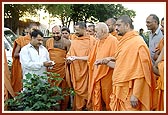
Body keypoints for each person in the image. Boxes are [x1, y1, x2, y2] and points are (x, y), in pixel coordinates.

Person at [97, 15, 156, 111]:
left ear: (127, 25)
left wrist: (135, 94)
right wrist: (105, 62)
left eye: (119, 25)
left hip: (131, 92)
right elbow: (121, 66)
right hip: (119, 89)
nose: (116, 28)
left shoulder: (138, 43)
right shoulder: (124, 42)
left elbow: (141, 72)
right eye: (116, 25)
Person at [87, 22, 118, 111]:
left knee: (108, 100)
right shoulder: (98, 41)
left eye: (96, 31)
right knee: (98, 100)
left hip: (108, 76)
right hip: (97, 75)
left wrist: (106, 60)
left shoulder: (113, 41)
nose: (95, 33)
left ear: (104, 31)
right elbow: (92, 57)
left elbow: (117, 58)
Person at [66, 21, 96, 111]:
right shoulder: (74, 42)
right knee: (78, 97)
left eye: (78, 30)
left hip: (88, 73)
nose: (76, 32)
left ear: (84, 29)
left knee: (90, 94)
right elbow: (69, 54)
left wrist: (77, 58)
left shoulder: (92, 41)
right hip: (77, 73)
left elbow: (93, 57)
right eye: (75, 30)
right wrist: (68, 59)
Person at [45, 25, 71, 110]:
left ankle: (63, 108)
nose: (56, 35)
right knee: (52, 90)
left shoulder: (67, 42)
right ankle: (53, 108)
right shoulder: (48, 41)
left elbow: (69, 55)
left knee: (63, 90)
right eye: (54, 33)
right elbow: (46, 55)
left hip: (62, 70)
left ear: (61, 32)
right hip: (51, 71)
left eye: (57, 33)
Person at [11, 23, 38, 95]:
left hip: (33, 66)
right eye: (33, 29)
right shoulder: (21, 39)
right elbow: (15, 54)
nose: (35, 32)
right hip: (22, 66)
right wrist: (26, 54)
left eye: (37, 30)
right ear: (28, 30)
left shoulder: (38, 40)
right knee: (21, 84)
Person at [153, 17, 164, 111]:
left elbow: (157, 63)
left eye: (164, 26)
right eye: (162, 26)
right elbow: (156, 55)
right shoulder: (163, 40)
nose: (161, 28)